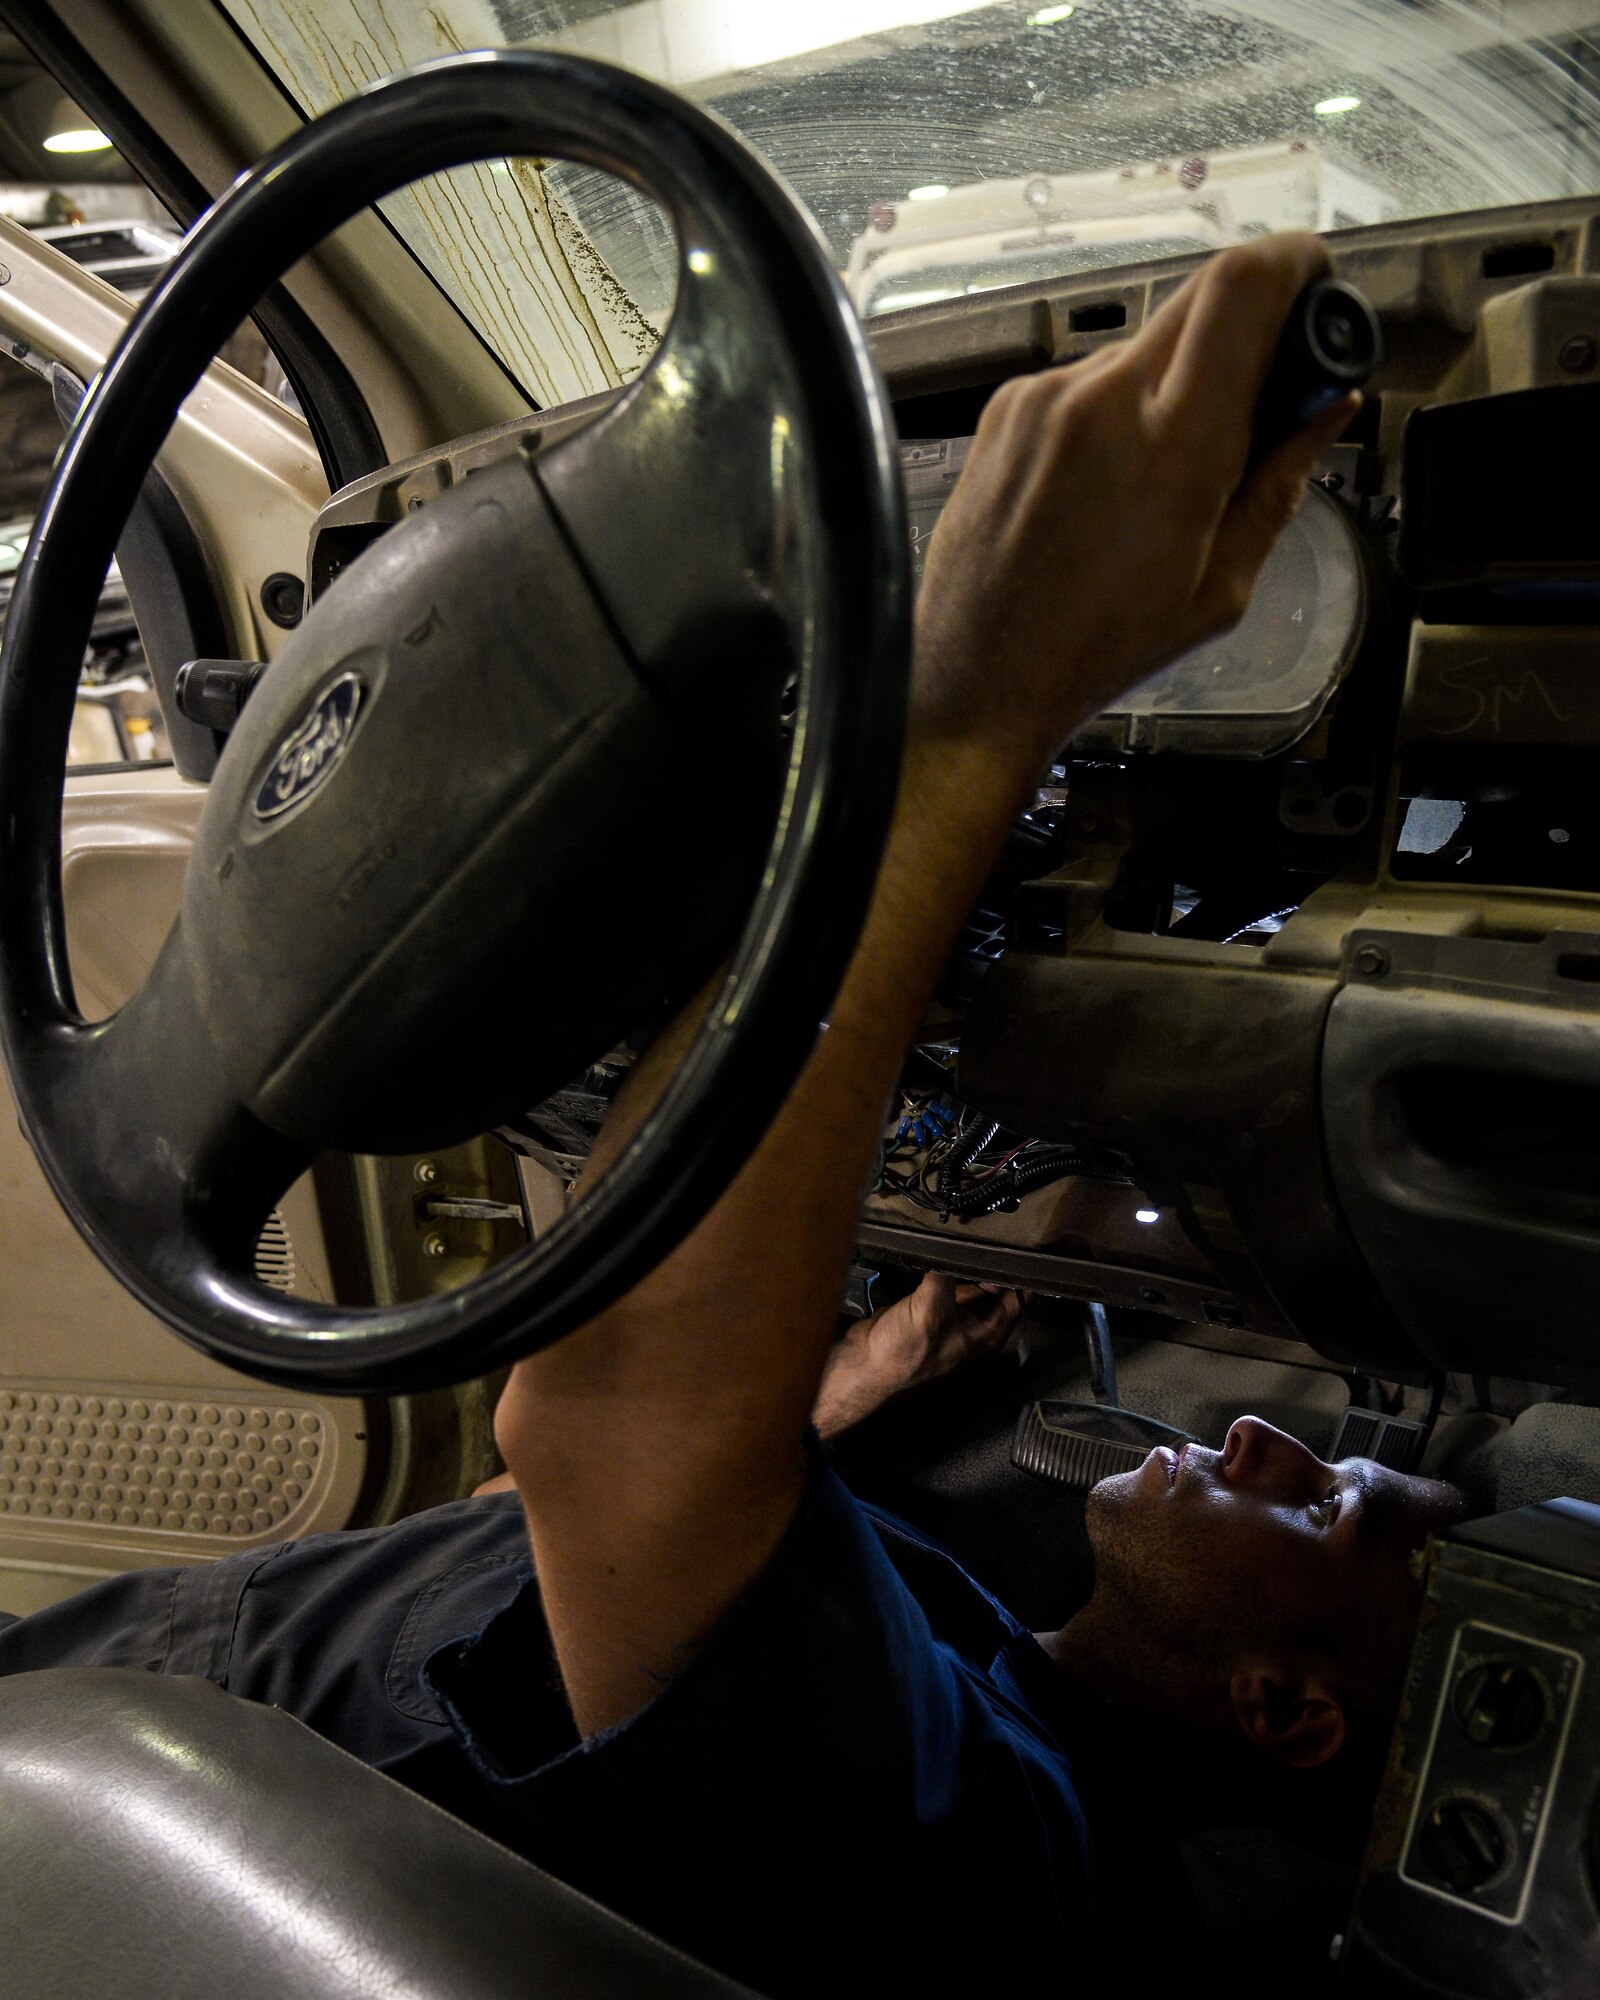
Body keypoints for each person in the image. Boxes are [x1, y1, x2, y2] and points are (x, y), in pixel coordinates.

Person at [0, 233, 1467, 1995]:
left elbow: (597, 1426)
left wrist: (972, 702)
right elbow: (564, 1535)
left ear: (1293, 1717)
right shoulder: (987, 1675)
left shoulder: (992, 1877)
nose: (1264, 1443)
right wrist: (819, 1410)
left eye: (1323, 1507)